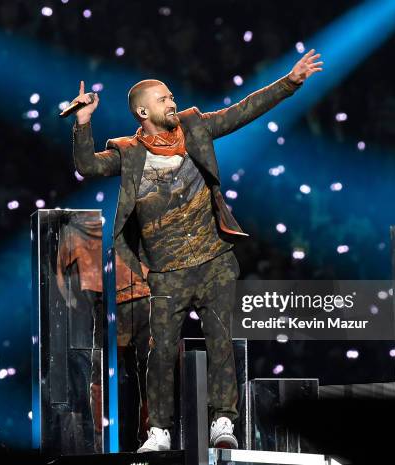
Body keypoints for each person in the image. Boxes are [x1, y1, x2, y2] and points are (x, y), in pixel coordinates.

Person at [71, 49, 323, 452]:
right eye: (163, 99)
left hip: (214, 260)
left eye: (171, 96)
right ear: (142, 112)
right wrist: (83, 123)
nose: (172, 102)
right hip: (167, 270)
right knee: (161, 351)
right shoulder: (129, 152)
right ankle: (160, 431)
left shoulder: (194, 127)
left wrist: (290, 81)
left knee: (221, 342)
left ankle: (224, 420)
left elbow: (243, 111)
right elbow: (88, 167)